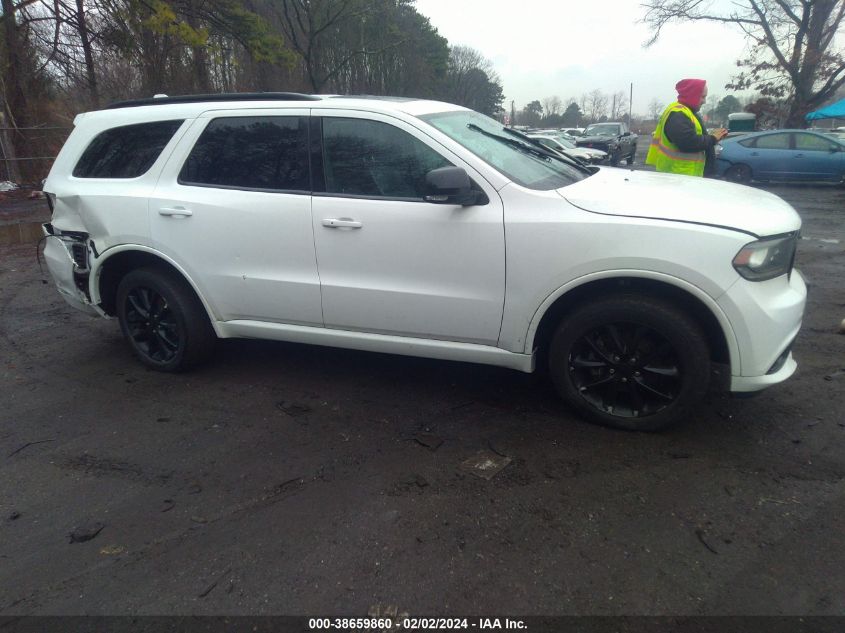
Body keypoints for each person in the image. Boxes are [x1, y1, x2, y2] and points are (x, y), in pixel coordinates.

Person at [646, 78, 728, 177]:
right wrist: (713, 138)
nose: (704, 101)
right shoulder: (678, 113)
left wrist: (711, 136)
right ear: (692, 95)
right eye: (702, 97)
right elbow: (688, 142)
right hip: (679, 178)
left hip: (683, 176)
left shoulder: (685, 112)